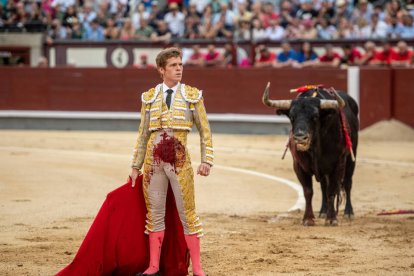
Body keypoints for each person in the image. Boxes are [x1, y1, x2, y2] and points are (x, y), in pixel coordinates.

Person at [130, 47, 213, 276]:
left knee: (188, 214)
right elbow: (143, 134)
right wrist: (135, 165)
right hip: (152, 162)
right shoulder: (149, 97)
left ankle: (197, 270)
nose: (179, 69)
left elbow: (205, 132)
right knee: (154, 215)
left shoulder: (192, 95)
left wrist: (207, 160)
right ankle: (153, 267)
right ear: (161, 70)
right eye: (174, 66)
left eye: (180, 65)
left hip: (179, 160)